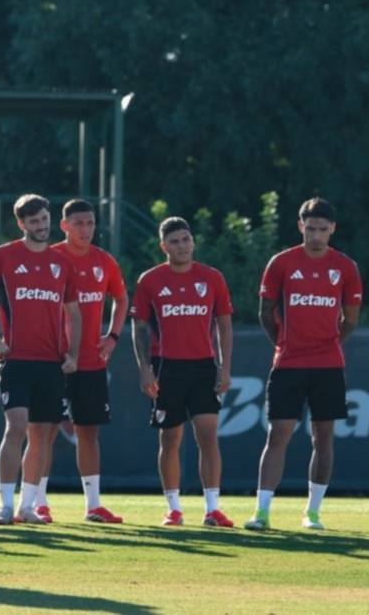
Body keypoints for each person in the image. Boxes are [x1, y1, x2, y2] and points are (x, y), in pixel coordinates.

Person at [0, 194, 82, 526]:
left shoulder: (63, 262)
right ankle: (3, 505)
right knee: (15, 427)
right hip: (14, 358)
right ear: (21, 224)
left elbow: (74, 312)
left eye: (44, 219)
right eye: (33, 222)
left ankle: (27, 506)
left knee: (42, 433)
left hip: (51, 362)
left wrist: (72, 353)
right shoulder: (2, 256)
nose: (41, 226)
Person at [246, 197, 362, 532]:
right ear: (300, 226)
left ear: (333, 229)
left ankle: (312, 512)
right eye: (310, 228)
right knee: (277, 435)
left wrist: (327, 345)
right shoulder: (282, 263)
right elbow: (265, 313)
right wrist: (284, 344)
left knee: (323, 438)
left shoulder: (345, 267)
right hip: (288, 363)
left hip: (328, 365)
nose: (316, 235)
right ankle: (262, 512)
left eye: (323, 230)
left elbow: (350, 319)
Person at [130, 217, 235, 528]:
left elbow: (224, 325)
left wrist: (224, 367)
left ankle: (212, 509)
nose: (182, 246)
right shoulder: (150, 280)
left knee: (208, 437)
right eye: (174, 241)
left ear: (193, 241)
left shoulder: (211, 277)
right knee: (170, 438)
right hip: (166, 366)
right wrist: (145, 369)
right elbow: (138, 327)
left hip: (203, 366)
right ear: (164, 246)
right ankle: (173, 508)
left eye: (186, 240)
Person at [50, 199, 128, 524]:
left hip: (91, 363)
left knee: (88, 433)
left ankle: (93, 505)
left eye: (91, 223)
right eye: (79, 223)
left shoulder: (104, 261)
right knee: (43, 431)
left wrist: (112, 336)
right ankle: (37, 502)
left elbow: (121, 299)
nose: (86, 229)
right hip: (52, 360)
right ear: (64, 225)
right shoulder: (51, 257)